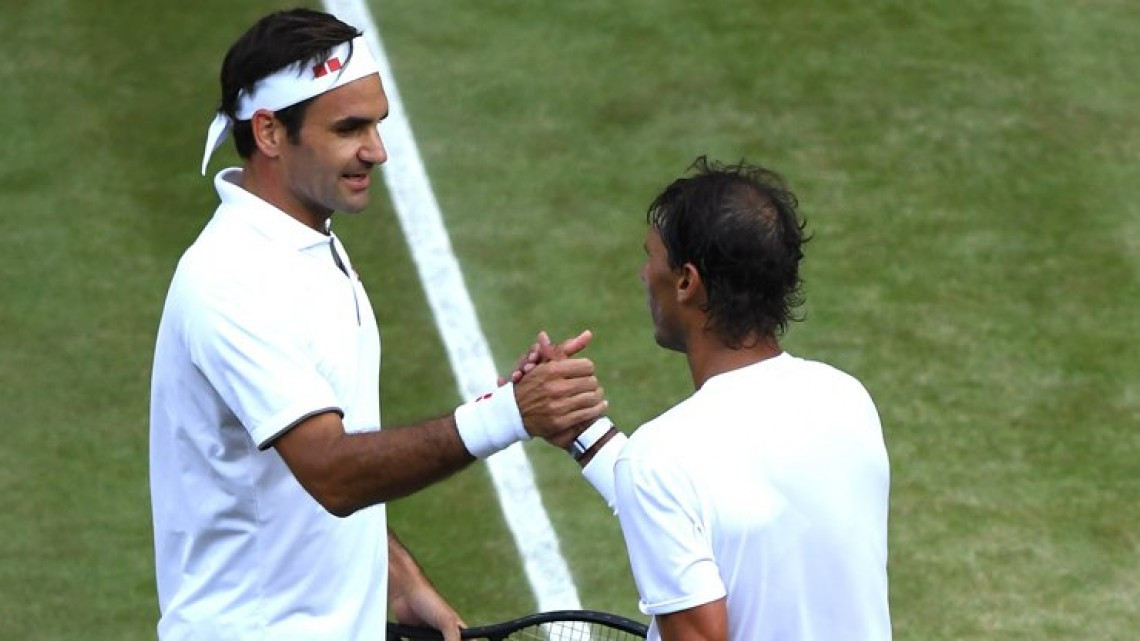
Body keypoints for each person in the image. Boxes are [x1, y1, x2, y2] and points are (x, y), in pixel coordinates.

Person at [149, 9, 606, 641]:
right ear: (271, 133)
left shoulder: (305, 242)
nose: (377, 151)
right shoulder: (233, 281)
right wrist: (508, 417)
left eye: (378, 123)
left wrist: (399, 579)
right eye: (349, 128)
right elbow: (332, 472)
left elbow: (297, 473)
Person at [522, 158, 892, 640]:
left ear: (685, 282)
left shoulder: (662, 460)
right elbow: (718, 506)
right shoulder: (847, 400)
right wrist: (584, 434)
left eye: (650, 257)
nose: (642, 274)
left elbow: (677, 487)